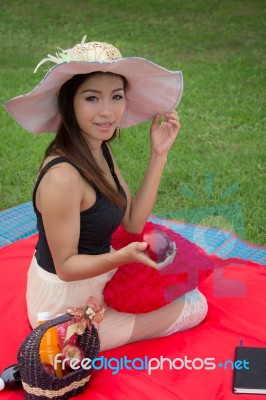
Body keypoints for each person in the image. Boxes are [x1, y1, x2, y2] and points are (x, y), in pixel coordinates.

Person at [5, 37, 207, 351]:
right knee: (195, 306)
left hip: (96, 275)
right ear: (68, 103)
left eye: (116, 97)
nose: (107, 111)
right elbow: (66, 267)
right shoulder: (63, 176)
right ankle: (80, 337)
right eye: (91, 98)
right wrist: (122, 258)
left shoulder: (99, 150)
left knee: (182, 279)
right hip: (63, 305)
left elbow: (132, 222)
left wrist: (159, 154)